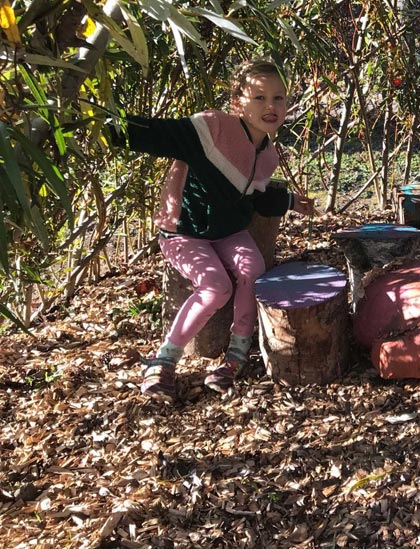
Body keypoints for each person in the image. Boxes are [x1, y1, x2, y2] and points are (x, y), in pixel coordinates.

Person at [111, 57, 314, 397]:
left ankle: (234, 357)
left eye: (278, 98)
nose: (271, 106)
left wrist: (292, 202)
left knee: (254, 270)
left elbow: (258, 200)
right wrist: (105, 125)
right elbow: (161, 136)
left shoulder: (268, 154)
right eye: (259, 97)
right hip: (183, 231)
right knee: (216, 285)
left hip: (227, 232)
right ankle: (164, 361)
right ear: (238, 102)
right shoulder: (214, 127)